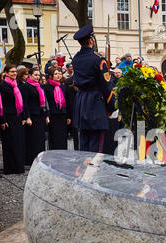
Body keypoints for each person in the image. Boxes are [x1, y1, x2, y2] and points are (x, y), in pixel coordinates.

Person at [72, 24, 115, 153]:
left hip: (81, 101)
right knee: (96, 146)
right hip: (96, 103)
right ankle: (93, 172)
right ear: (91, 40)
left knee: (83, 143)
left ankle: (82, 171)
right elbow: (106, 85)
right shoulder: (98, 59)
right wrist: (112, 105)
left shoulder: (76, 59)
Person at [0, 64, 25, 175]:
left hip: (17, 117)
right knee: (9, 143)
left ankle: (18, 167)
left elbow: (20, 103)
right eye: (12, 71)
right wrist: (2, 120)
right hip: (8, 118)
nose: (14, 73)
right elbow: (1, 105)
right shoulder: (2, 86)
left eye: (15, 71)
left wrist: (22, 117)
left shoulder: (16, 85)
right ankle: (9, 168)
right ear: (6, 73)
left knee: (18, 143)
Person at [21, 67, 48, 165]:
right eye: (35, 75)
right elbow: (25, 103)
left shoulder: (38, 86)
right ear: (30, 75)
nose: (37, 77)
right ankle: (31, 160)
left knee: (40, 139)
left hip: (40, 115)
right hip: (32, 116)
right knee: (32, 139)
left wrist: (46, 115)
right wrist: (27, 117)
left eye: (38, 75)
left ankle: (40, 159)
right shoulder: (26, 86)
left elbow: (43, 102)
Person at [44, 67, 69, 150]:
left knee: (62, 136)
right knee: (54, 136)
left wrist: (68, 116)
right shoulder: (47, 87)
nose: (58, 75)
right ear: (51, 76)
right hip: (53, 115)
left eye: (59, 73)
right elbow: (46, 101)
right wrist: (47, 115)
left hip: (62, 114)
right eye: (56, 74)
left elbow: (67, 102)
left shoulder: (63, 86)